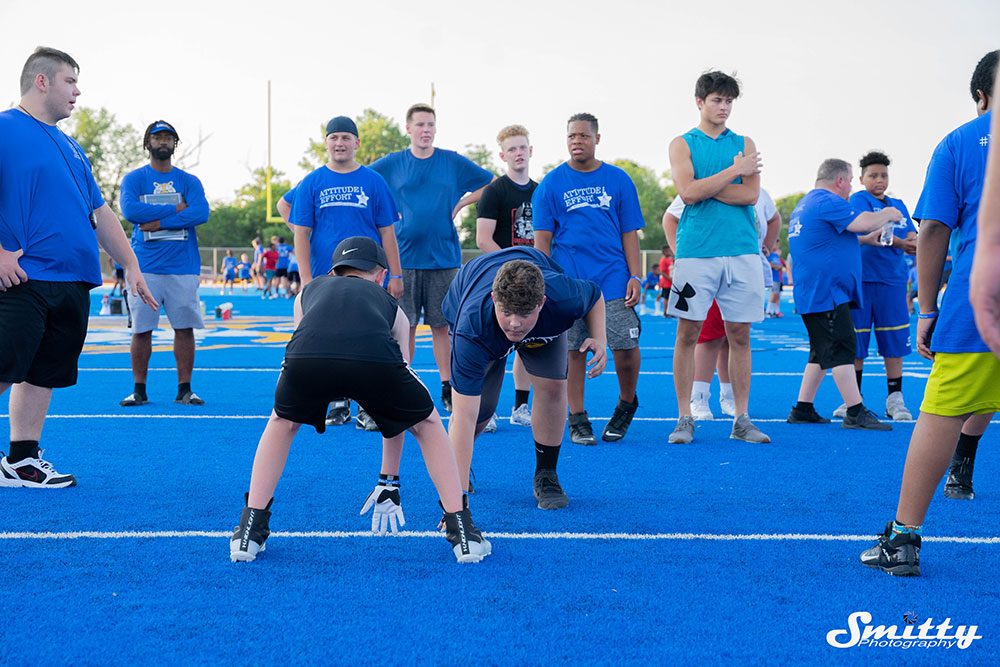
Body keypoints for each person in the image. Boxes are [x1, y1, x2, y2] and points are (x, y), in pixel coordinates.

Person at [229, 236, 490, 563]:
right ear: (381, 275)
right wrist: (388, 480)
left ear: (334, 272)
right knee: (428, 423)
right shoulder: (392, 307)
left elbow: (305, 343)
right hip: (374, 360)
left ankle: (249, 530)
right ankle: (461, 532)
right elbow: (397, 412)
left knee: (281, 422)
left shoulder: (305, 294)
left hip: (307, 359)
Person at [861, 52, 999, 576]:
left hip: (983, 296)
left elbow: (936, 230)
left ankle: (903, 539)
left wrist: (927, 306)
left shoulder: (960, 142)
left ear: (980, 96)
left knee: (941, 411)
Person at [0, 47, 157, 487]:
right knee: (3, 366)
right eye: (70, 80)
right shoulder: (4, 128)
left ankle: (22, 460)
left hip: (71, 279)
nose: (78, 90)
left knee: (41, 373)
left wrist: (131, 265)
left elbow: (101, 212)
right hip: (24, 277)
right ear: (42, 81)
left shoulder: (71, 145)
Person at [441, 247, 606, 508]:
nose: (515, 324)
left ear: (541, 302)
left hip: (542, 319)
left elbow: (595, 295)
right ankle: (457, 468)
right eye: (507, 312)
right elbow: (463, 416)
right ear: (494, 299)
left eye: (525, 314)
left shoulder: (562, 298)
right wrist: (455, 505)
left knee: (553, 388)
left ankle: (547, 474)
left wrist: (600, 339)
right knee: (480, 412)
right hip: (472, 302)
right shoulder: (470, 327)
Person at [665, 72, 769, 444]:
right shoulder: (682, 144)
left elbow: (750, 196)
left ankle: (741, 418)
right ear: (700, 102)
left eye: (728, 102)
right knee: (687, 333)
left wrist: (708, 185)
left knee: (740, 335)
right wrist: (733, 173)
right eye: (716, 100)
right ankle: (684, 417)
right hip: (696, 253)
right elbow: (688, 192)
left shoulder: (745, 141)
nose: (723, 107)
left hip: (742, 251)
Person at [370, 104, 494, 414]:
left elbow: (490, 182)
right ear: (408, 129)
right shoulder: (394, 163)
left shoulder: (451, 162)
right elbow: (364, 182)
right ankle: (403, 382)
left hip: (443, 259)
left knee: (444, 328)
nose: (426, 130)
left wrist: (463, 202)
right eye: (420, 124)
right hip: (403, 260)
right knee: (403, 327)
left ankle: (448, 386)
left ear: (435, 129)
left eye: (431, 125)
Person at [533, 112, 644, 445]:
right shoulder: (551, 184)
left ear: (597, 138)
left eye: (582, 136)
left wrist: (635, 276)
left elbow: (630, 233)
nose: (576, 141)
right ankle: (577, 416)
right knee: (573, 350)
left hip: (612, 279)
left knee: (625, 347)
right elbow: (542, 241)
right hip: (570, 284)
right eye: (570, 137)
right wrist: (547, 283)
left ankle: (627, 403)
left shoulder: (619, 179)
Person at [289, 115, 404, 430]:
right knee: (331, 337)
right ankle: (337, 401)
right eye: (334, 137)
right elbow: (300, 232)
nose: (339, 143)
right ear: (326, 143)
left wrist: (395, 275)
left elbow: (388, 233)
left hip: (368, 275)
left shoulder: (373, 181)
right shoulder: (312, 182)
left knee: (371, 336)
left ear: (356, 143)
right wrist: (305, 279)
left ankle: (370, 404)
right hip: (325, 276)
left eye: (345, 137)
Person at [786, 159, 899, 430]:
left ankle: (802, 408)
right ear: (839, 180)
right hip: (827, 293)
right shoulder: (827, 201)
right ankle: (855, 411)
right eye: (849, 180)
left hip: (816, 291)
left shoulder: (808, 203)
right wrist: (889, 213)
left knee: (821, 351)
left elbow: (834, 236)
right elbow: (861, 222)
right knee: (841, 348)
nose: (850, 186)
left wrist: (866, 239)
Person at [663, 185, 781, 419]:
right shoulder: (702, 185)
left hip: (744, 267)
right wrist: (683, 253)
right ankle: (698, 396)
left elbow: (774, 218)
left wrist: (765, 247)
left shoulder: (759, 192)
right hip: (709, 266)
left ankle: (729, 397)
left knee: (734, 335)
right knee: (708, 334)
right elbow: (671, 218)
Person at [118, 120, 210, 407]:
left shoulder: (189, 181)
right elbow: (131, 210)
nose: (163, 142)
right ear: (148, 143)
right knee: (141, 329)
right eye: (157, 137)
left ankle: (184, 389)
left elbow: (201, 213)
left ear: (174, 144)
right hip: (144, 267)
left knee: (184, 328)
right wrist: (174, 208)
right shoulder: (135, 179)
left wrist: (157, 221)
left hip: (182, 266)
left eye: (168, 138)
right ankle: (139, 390)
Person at [829, 151, 918, 422]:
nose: (880, 180)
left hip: (892, 281)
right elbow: (846, 238)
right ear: (861, 178)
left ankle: (895, 399)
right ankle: (854, 400)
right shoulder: (855, 202)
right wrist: (879, 238)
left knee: (893, 341)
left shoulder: (898, 205)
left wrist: (908, 242)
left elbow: (912, 240)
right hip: (860, 281)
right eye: (873, 175)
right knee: (856, 342)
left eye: (884, 175)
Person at [475, 124, 537, 428]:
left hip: (533, 276)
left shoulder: (541, 191)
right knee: (493, 346)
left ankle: (521, 408)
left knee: (528, 342)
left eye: (522, 147)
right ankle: (487, 410)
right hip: (500, 276)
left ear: (530, 150)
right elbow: (483, 239)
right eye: (511, 149)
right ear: (503, 155)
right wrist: (512, 266)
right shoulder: (494, 191)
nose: (518, 153)